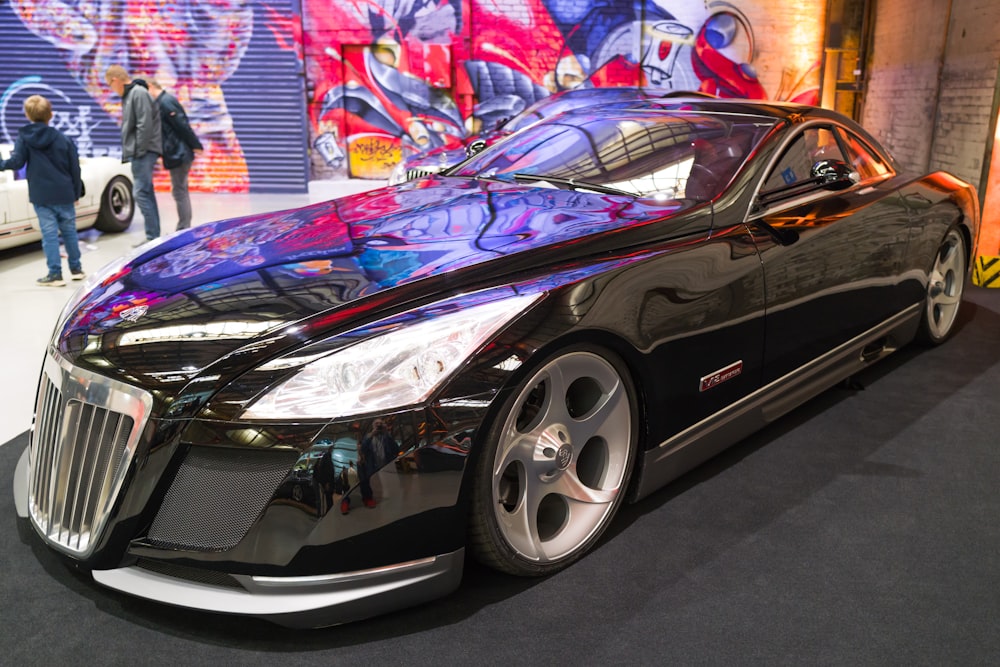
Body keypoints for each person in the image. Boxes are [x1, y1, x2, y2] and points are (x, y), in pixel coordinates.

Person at [0, 95, 85, 286]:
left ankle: (55, 275)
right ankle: (76, 269)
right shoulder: (64, 139)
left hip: (41, 194)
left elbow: (16, 162)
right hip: (64, 193)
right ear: (51, 114)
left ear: (27, 114)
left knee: (49, 235)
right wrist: (76, 192)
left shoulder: (24, 138)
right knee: (70, 232)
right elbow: (74, 168)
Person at [104, 65, 162, 243]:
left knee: (141, 193)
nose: (112, 90)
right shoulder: (132, 94)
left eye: (110, 85)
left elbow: (144, 125)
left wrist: (139, 150)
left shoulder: (137, 93)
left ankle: (152, 238)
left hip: (143, 152)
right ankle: (154, 236)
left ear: (115, 80)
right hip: (140, 151)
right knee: (146, 192)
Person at [147, 79, 203, 231]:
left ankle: (183, 227)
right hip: (177, 152)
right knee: (180, 189)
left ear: (150, 86)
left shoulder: (166, 102)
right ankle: (183, 226)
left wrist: (195, 145)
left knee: (180, 191)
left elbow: (182, 125)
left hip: (180, 153)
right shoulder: (161, 102)